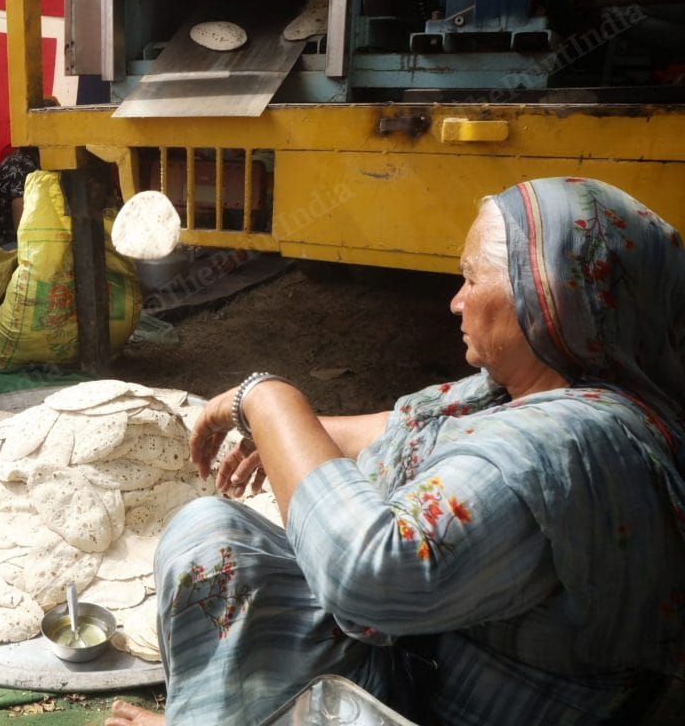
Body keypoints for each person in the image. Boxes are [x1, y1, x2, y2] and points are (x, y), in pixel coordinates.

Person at [108, 177, 685, 725]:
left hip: (439, 704)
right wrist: (293, 438)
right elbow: (408, 429)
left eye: (472, 279)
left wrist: (268, 399)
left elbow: (369, 578)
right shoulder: (555, 388)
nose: (456, 303)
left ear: (549, 290)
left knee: (211, 545)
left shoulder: (571, 445)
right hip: (429, 664)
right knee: (222, 535)